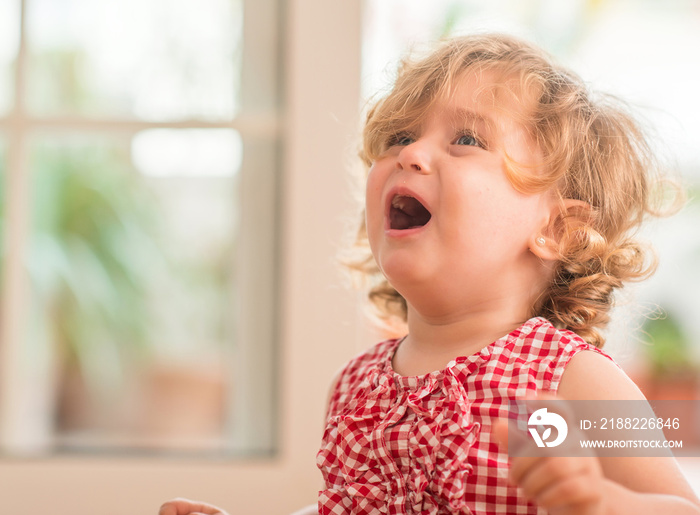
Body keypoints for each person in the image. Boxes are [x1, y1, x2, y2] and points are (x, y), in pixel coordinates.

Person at [159, 33, 700, 515]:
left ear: (556, 230)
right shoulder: (355, 386)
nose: (411, 152)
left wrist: (605, 503)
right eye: (398, 136)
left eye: (466, 140)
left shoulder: (571, 381)